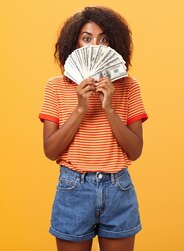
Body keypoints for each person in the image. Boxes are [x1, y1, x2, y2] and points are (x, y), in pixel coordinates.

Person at [38, 6, 149, 251]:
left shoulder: (129, 87)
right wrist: (80, 108)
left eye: (103, 39)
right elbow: (50, 150)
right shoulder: (56, 87)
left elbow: (135, 151)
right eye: (86, 38)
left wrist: (109, 109)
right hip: (73, 189)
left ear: (114, 45)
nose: (95, 46)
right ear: (75, 44)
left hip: (118, 189)